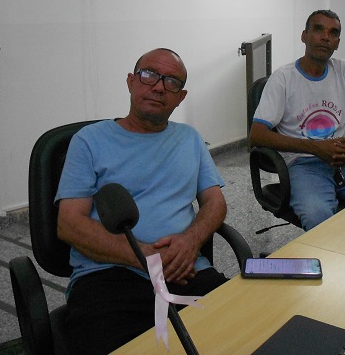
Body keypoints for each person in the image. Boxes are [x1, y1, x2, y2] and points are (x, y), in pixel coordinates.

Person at [55, 48, 228, 355]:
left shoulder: (189, 138)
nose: (159, 87)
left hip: (184, 271)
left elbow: (215, 202)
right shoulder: (89, 140)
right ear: (131, 82)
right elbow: (69, 224)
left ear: (180, 97)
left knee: (244, 332)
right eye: (149, 75)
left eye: (171, 82)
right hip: (110, 277)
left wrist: (191, 241)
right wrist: (146, 257)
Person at [249, 10, 345, 231]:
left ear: (337, 42)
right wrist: (315, 148)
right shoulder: (283, 78)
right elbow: (257, 134)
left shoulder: (344, 70)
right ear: (304, 35)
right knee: (318, 217)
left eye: (333, 33)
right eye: (318, 29)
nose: (326, 37)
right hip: (304, 164)